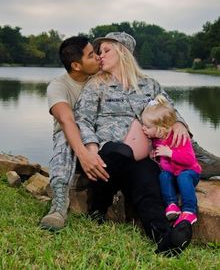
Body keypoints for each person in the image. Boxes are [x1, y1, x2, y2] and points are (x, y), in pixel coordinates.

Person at [74, 32, 194, 255]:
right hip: (108, 155)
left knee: (148, 187)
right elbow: (83, 119)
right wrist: (91, 148)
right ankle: (98, 208)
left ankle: (164, 238)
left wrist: (179, 124)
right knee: (118, 152)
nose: (100, 56)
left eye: (106, 50)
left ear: (123, 52)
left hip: (142, 159)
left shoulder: (150, 85)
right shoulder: (96, 85)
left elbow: (170, 110)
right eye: (98, 52)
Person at [40, 36, 109, 231]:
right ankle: (59, 205)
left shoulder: (101, 78)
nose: (97, 57)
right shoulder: (58, 86)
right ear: (77, 65)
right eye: (91, 55)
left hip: (99, 140)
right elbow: (66, 120)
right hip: (72, 145)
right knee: (65, 134)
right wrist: (84, 155)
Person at [142, 94, 202, 227]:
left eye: (147, 126)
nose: (143, 128)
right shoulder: (157, 139)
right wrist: (155, 156)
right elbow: (163, 164)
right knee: (163, 175)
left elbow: (190, 159)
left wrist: (170, 153)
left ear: (161, 128)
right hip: (173, 174)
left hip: (190, 173)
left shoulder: (178, 137)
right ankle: (171, 205)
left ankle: (189, 210)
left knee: (183, 177)